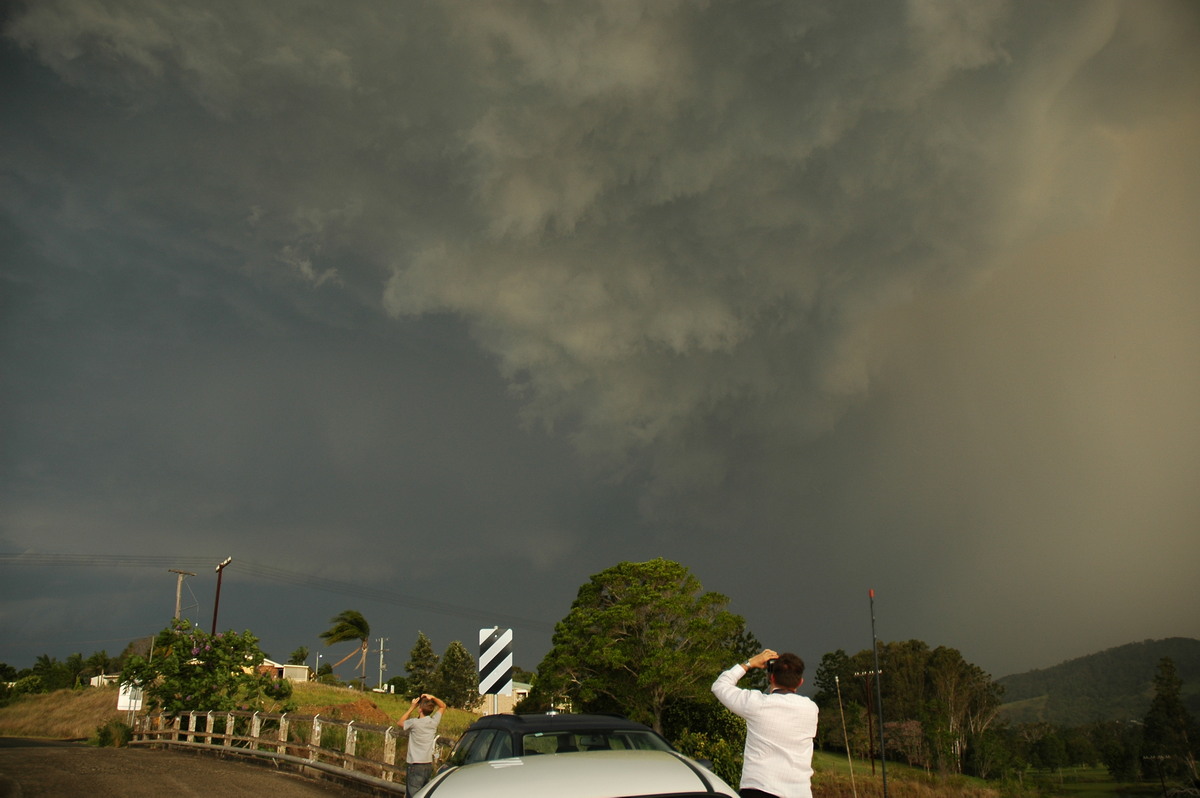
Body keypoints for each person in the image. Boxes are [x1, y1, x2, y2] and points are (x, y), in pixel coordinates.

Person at [712, 648, 818, 798]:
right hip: (800, 793)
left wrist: (750, 663)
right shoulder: (811, 709)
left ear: (771, 678)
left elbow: (720, 686)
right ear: (800, 682)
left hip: (759, 790)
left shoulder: (756, 703)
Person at [401, 692, 446, 797]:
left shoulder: (414, 723)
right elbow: (443, 706)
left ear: (420, 709)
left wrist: (411, 707)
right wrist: (433, 697)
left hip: (415, 764)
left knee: (414, 795)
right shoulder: (433, 722)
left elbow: (400, 722)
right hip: (427, 764)